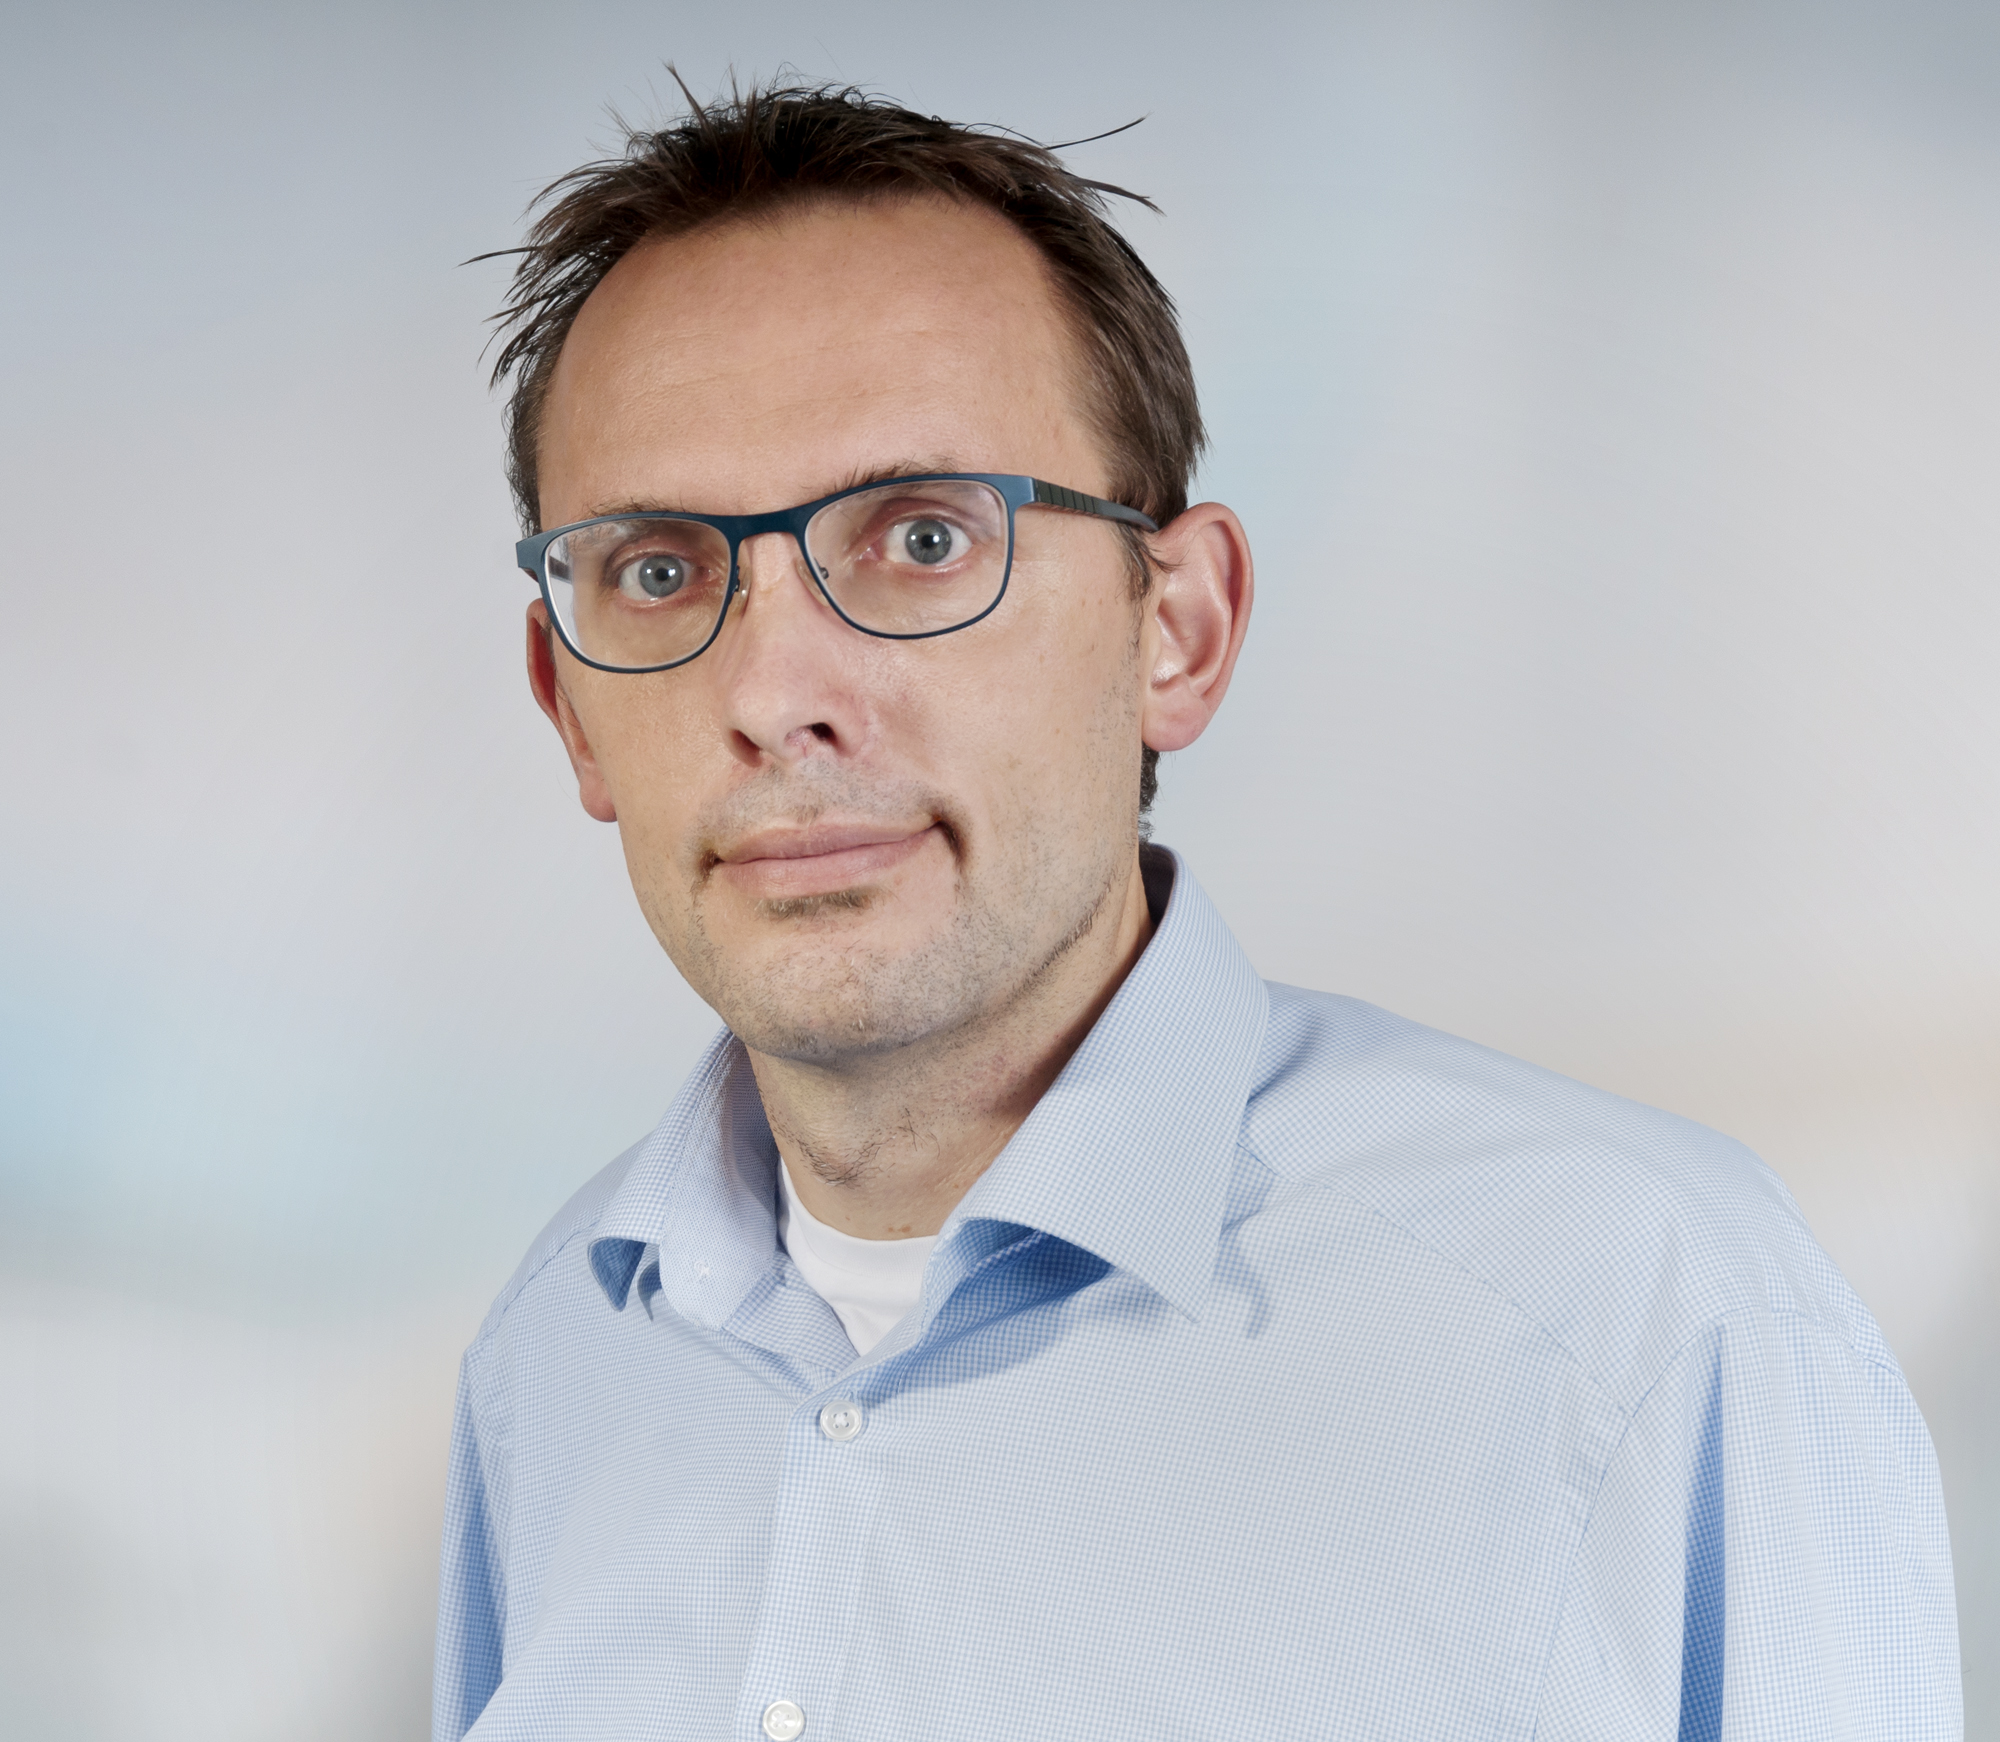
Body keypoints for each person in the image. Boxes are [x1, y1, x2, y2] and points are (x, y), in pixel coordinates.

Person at [434, 83, 1960, 1742]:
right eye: (658, 570)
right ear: (570, 709)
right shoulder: (553, 1366)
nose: (773, 693)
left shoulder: (1648, 1314)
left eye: (925, 538)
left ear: (1179, 628)